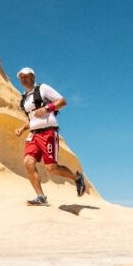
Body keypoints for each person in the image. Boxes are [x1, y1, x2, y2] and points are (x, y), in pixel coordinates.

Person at [13, 67, 87, 206]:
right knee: (28, 162)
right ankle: (41, 197)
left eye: (27, 76)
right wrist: (22, 129)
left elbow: (62, 101)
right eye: (21, 77)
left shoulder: (43, 88)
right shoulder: (24, 98)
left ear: (33, 77)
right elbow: (33, 119)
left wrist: (47, 108)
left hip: (48, 132)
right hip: (33, 134)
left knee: (51, 168)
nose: (24, 79)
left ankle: (77, 177)